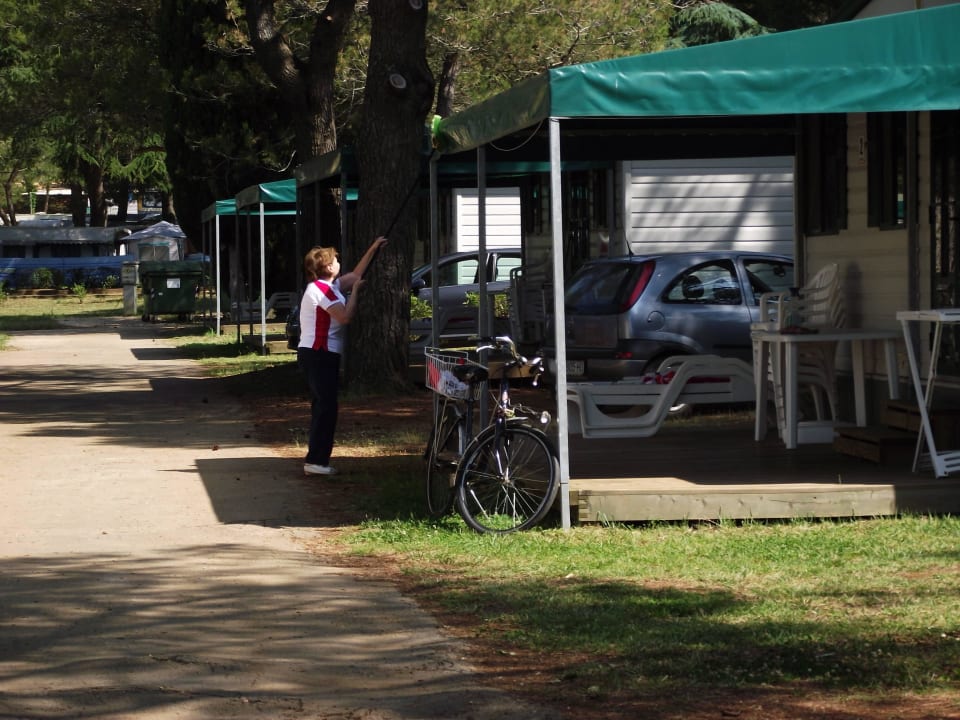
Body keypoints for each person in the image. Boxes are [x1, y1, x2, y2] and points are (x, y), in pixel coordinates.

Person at [297, 236, 388, 476]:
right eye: (335, 260)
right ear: (328, 267)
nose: (339, 262)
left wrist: (373, 248)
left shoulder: (333, 286)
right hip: (319, 353)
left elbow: (356, 274)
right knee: (326, 407)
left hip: (323, 353)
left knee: (325, 406)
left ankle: (317, 459)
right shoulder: (322, 291)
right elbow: (345, 316)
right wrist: (355, 292)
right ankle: (316, 461)